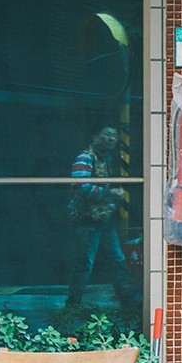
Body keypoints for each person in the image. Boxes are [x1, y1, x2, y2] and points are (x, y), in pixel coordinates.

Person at [66, 124, 139, 308]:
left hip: (103, 219)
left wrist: (111, 201)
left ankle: (128, 299)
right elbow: (79, 185)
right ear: (95, 136)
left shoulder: (104, 158)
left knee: (117, 259)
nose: (111, 139)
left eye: (114, 136)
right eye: (106, 134)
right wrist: (109, 194)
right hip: (87, 219)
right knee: (85, 262)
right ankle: (73, 304)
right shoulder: (86, 157)